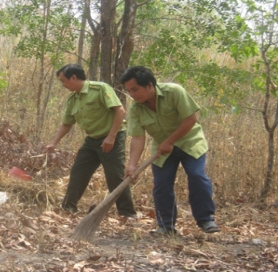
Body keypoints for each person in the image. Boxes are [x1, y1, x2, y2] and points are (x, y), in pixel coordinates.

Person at [120, 66, 220, 235]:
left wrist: (170, 141)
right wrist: (132, 165)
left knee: (197, 176)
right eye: (129, 91)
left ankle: (206, 220)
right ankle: (166, 226)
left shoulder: (174, 92)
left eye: (135, 89)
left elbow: (190, 119)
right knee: (162, 185)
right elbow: (137, 137)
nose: (132, 95)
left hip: (190, 142)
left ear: (150, 85)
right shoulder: (136, 108)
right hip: (162, 149)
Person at [44, 64, 136, 217]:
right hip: (92, 140)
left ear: (74, 77)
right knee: (78, 171)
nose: (63, 85)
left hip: (112, 137)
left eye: (64, 81)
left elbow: (119, 111)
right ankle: (68, 208)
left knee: (114, 175)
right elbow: (67, 123)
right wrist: (54, 143)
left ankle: (127, 213)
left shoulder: (100, 89)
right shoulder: (73, 99)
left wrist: (111, 137)